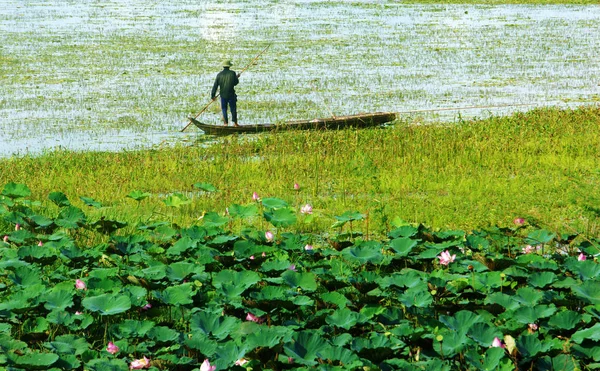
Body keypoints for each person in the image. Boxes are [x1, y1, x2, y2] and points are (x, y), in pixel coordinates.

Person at [211, 60, 240, 127]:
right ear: (229, 66)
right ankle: (235, 123)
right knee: (233, 108)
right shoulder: (232, 73)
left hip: (223, 95)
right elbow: (235, 83)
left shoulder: (219, 75)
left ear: (223, 66)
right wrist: (236, 78)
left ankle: (225, 123)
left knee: (224, 109)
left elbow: (215, 86)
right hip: (231, 94)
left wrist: (213, 96)